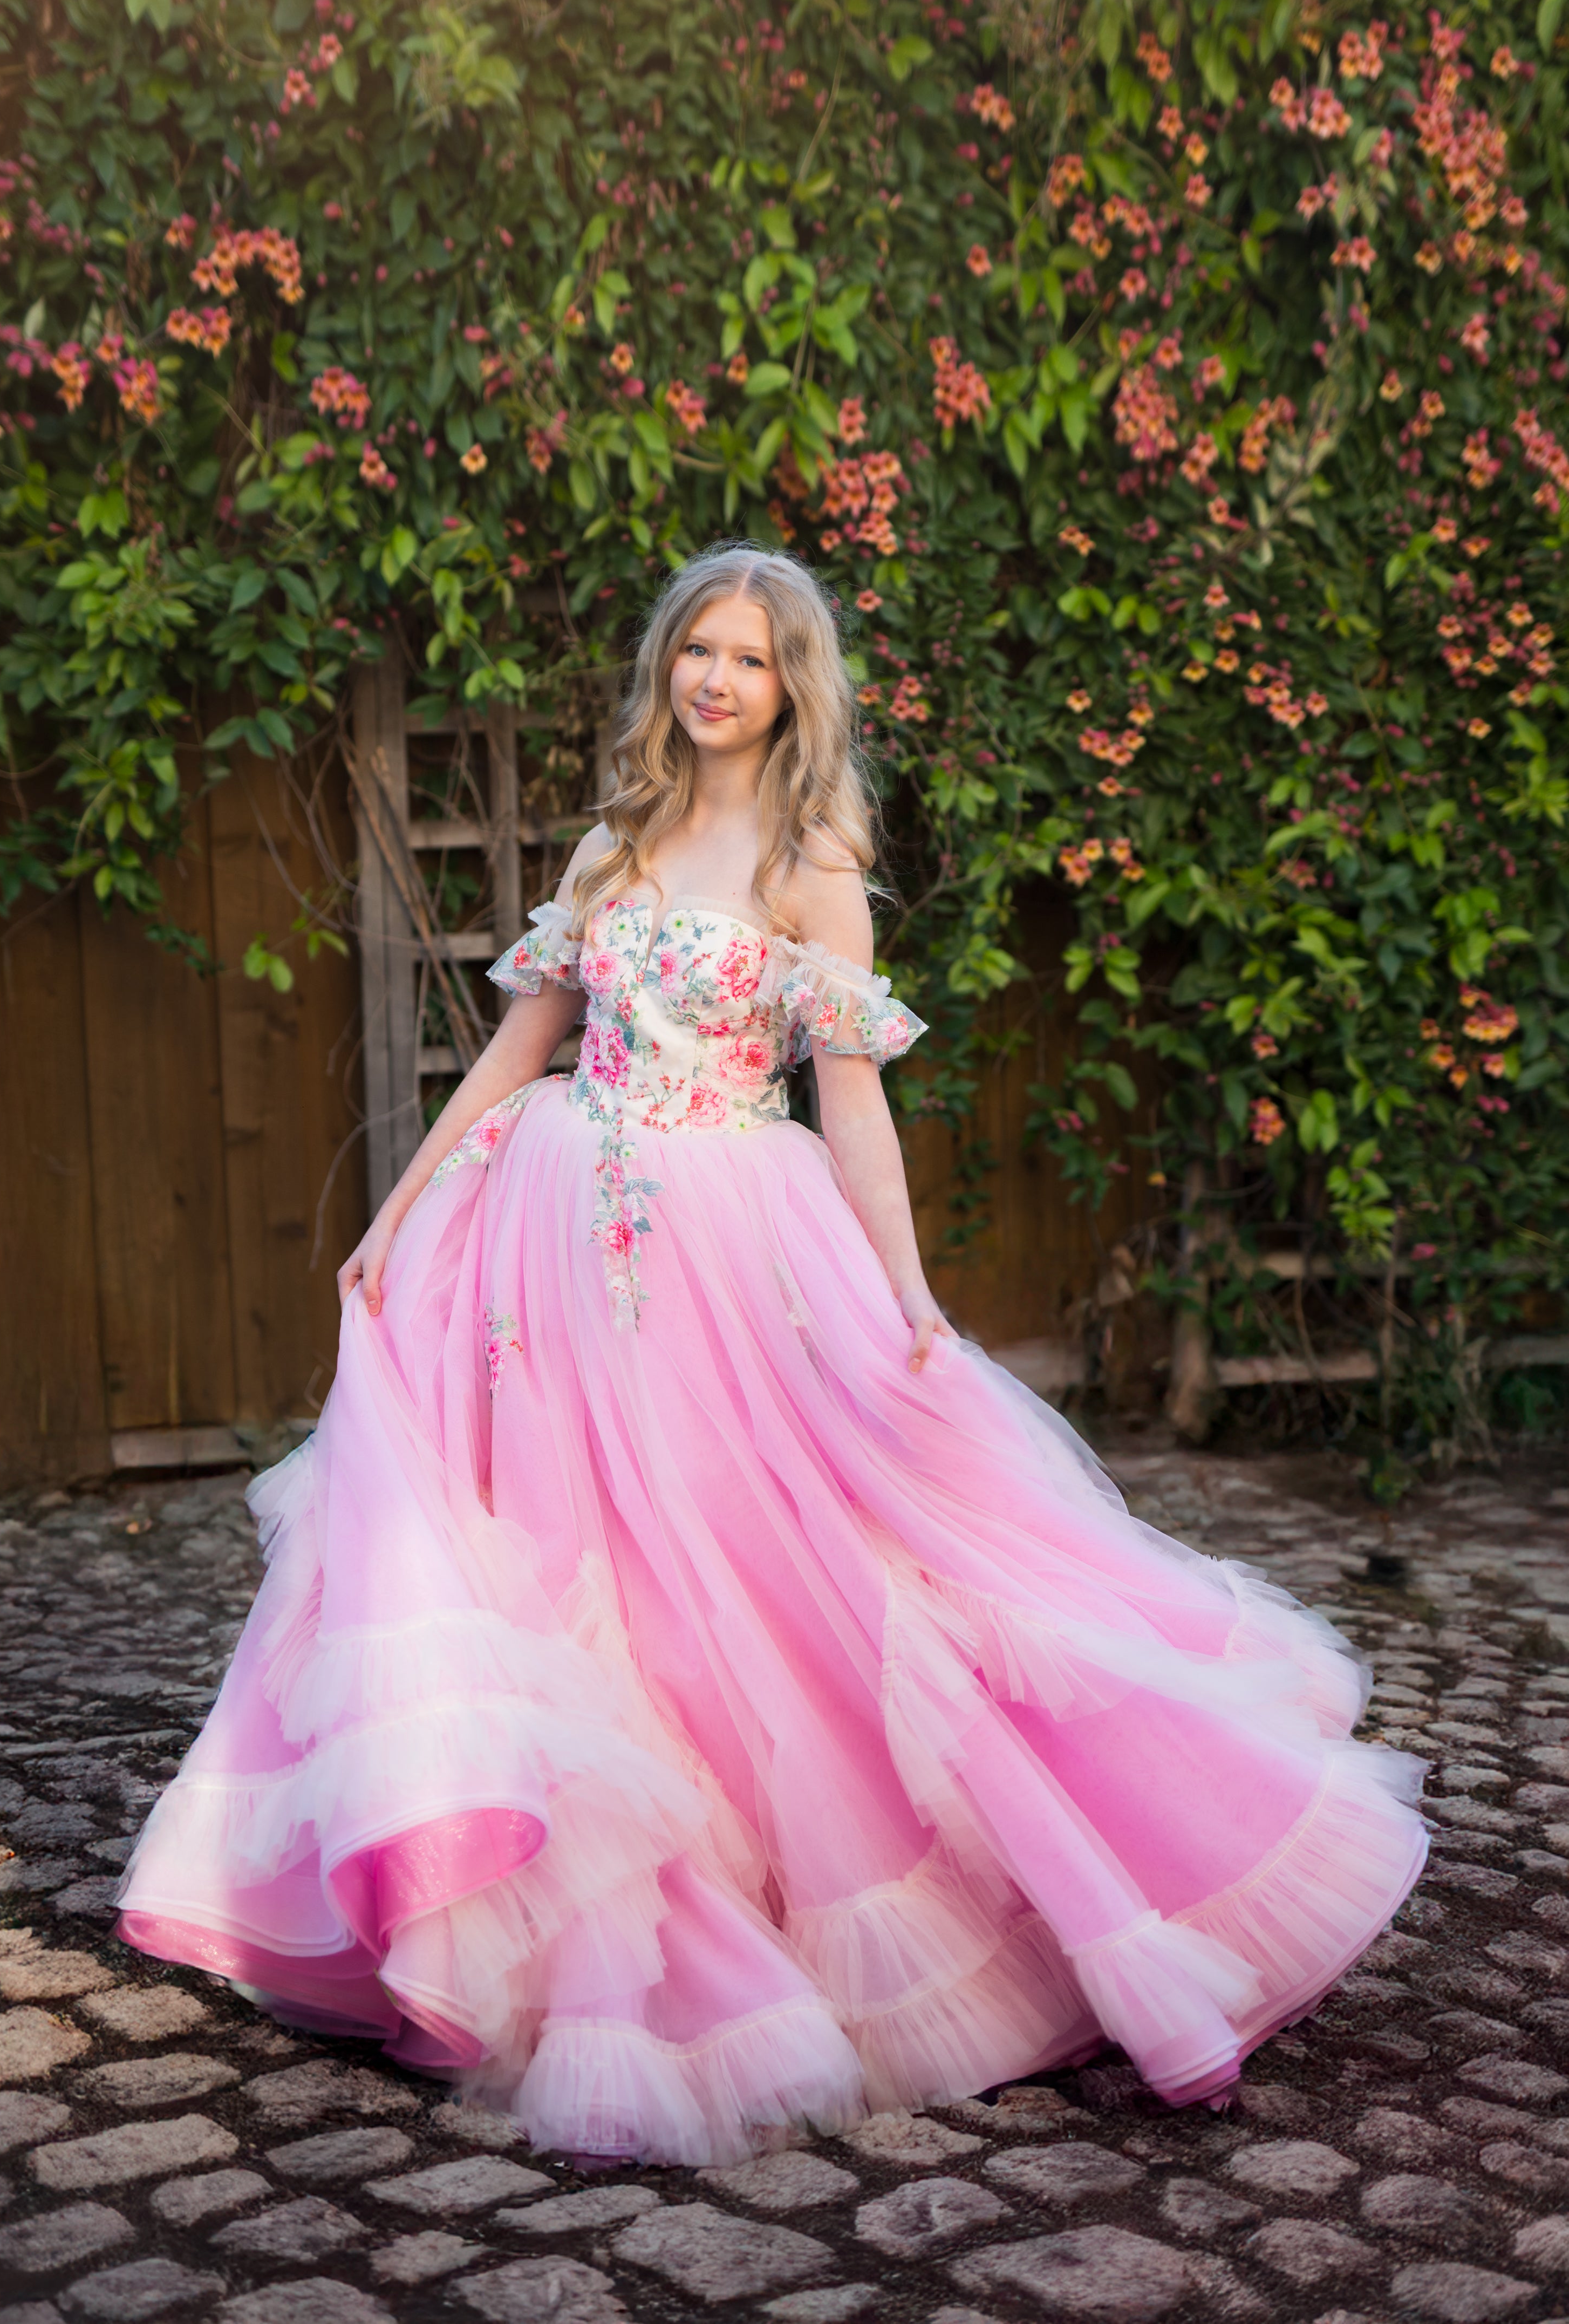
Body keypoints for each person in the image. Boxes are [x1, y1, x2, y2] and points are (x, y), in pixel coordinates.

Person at [116, 543, 1426, 2166]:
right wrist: (401, 1210)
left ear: (791, 684)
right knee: (563, 1552)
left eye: (750, 658)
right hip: (554, 1237)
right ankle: (507, 1905)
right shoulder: (609, 845)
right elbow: (520, 1044)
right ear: (667, 667)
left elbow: (851, 1098)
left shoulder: (814, 860)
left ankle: (795, 1901)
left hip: (732, 1241)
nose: (717, 680)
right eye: (697, 652)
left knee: (748, 1557)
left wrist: (910, 1293)